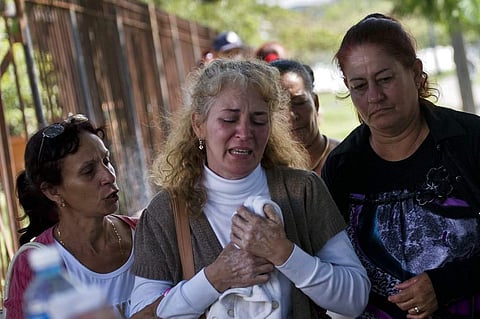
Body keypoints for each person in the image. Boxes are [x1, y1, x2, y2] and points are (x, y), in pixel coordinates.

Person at [129, 58, 370, 319]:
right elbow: (143, 315)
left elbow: (355, 299)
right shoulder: (166, 212)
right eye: (229, 119)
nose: (244, 132)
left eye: (258, 120)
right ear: (198, 125)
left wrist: (284, 253)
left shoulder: (302, 190)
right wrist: (215, 279)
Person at [322, 13, 480, 319]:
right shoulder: (343, 165)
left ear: (415, 71)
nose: (374, 96)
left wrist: (446, 284)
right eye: (359, 85)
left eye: (385, 79)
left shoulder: (468, 141)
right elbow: (334, 268)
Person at [4, 114, 137, 319]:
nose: (109, 176)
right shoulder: (35, 266)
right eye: (88, 171)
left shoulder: (144, 233)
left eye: (106, 161)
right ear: (53, 192)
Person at [270, 59, 340, 174]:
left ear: (315, 103)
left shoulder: (347, 158)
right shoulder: (261, 168)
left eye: (299, 102)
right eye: (279, 107)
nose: (291, 115)